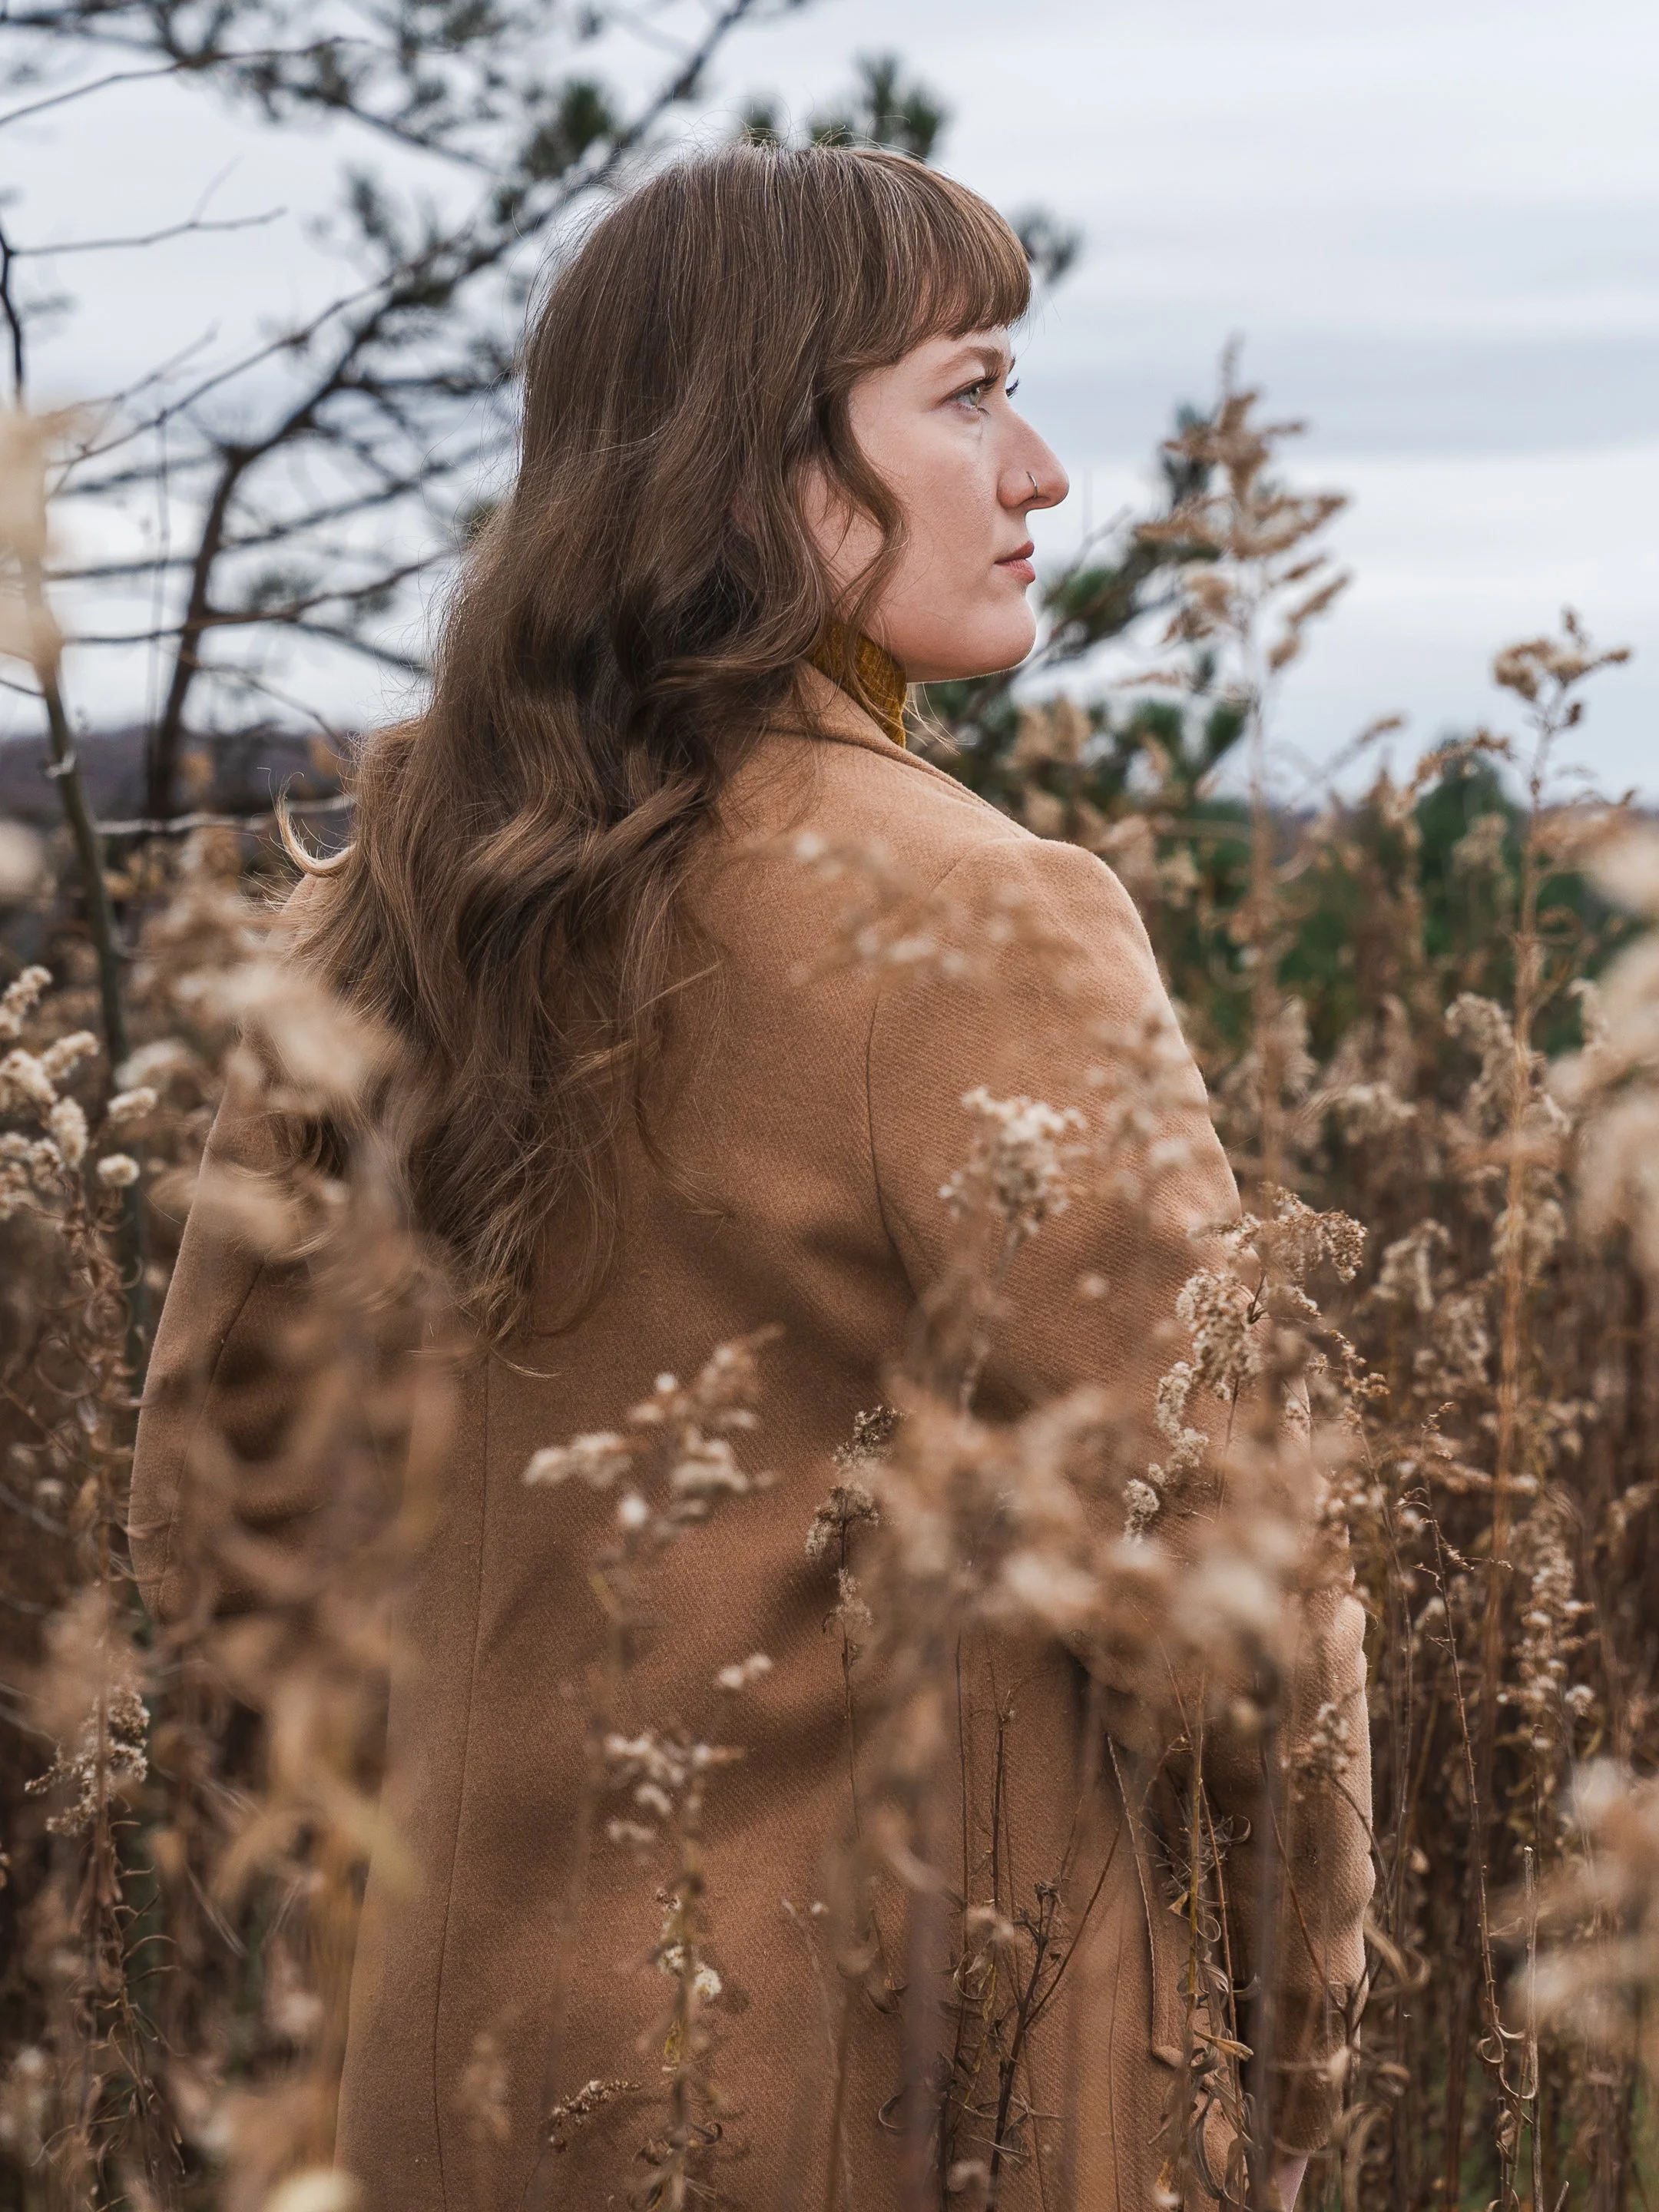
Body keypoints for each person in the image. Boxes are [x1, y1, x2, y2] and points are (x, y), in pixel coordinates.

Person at [131, 144, 1372, 2210]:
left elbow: (210, 1525)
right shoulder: (983, 921)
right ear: (769, 468)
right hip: (907, 2095)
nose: (1043, 469)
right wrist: (1293, 2056)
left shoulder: (385, 913)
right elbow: (1235, 1586)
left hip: (447, 2094)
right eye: (972, 392)